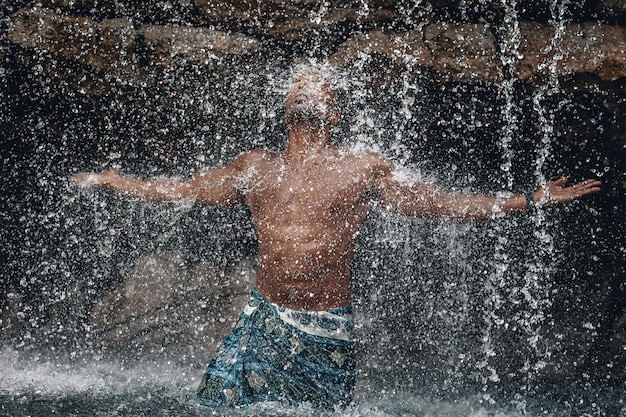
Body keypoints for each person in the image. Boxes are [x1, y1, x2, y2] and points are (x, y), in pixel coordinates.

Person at [70, 71, 601, 409]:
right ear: (285, 108)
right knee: (215, 405)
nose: (307, 84)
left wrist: (527, 200)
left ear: (335, 111)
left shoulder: (361, 168)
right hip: (261, 320)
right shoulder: (256, 167)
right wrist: (119, 182)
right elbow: (185, 190)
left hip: (326, 326)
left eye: (318, 85)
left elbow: (442, 203)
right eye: (298, 84)